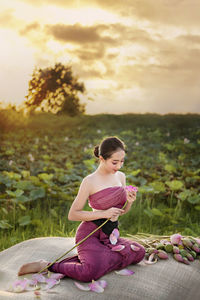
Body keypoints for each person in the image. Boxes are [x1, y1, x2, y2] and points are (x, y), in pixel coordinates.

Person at [18, 136, 145, 281]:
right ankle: (47, 265)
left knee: (139, 252)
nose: (119, 166)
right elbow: (73, 214)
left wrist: (129, 202)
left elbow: (121, 212)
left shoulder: (121, 177)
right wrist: (104, 213)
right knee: (89, 273)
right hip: (90, 233)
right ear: (102, 158)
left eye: (122, 162)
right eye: (114, 162)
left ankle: (96, 259)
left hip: (111, 234)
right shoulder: (89, 181)